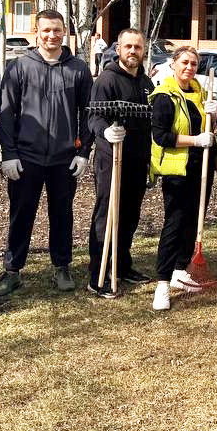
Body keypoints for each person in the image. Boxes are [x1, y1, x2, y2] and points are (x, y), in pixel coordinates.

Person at [0, 10, 94, 296]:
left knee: (62, 213)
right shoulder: (19, 67)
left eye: (57, 30)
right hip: (26, 157)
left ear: (65, 32)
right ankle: (12, 270)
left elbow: (87, 114)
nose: (52, 35)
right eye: (46, 30)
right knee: (21, 213)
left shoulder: (79, 69)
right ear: (36, 32)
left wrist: (83, 151)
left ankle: (61, 266)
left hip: (64, 158)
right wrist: (8, 154)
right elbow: (6, 113)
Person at [86, 28, 155, 298]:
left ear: (143, 51)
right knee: (107, 214)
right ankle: (98, 274)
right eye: (128, 46)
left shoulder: (146, 83)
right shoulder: (107, 80)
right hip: (111, 158)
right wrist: (104, 132)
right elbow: (94, 117)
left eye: (138, 47)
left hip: (138, 158)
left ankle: (122, 265)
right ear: (118, 49)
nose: (133, 52)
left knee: (129, 215)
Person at [148, 45, 217, 311]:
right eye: (185, 63)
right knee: (175, 223)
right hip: (178, 170)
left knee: (193, 220)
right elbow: (161, 136)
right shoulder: (165, 95)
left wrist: (212, 114)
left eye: (194, 64)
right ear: (174, 64)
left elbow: (207, 126)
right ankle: (163, 284)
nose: (189, 68)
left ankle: (180, 270)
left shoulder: (198, 91)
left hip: (201, 168)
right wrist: (195, 140)